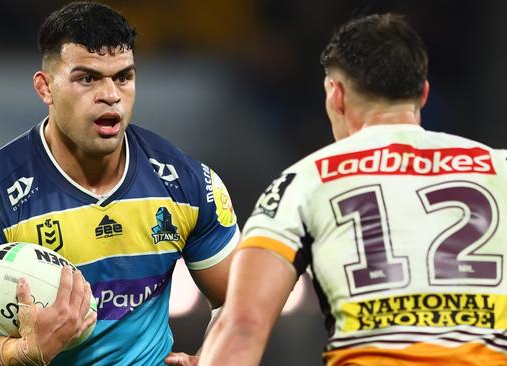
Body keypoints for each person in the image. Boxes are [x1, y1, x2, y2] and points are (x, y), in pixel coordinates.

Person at [0, 2, 240, 365]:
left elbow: (240, 304)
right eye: (87, 78)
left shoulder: (186, 182)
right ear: (45, 88)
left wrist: (214, 358)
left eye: (123, 76)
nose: (110, 94)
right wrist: (21, 352)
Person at [199, 13, 507, 366]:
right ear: (422, 94)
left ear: (337, 94)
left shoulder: (304, 181)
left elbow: (243, 325)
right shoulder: (500, 168)